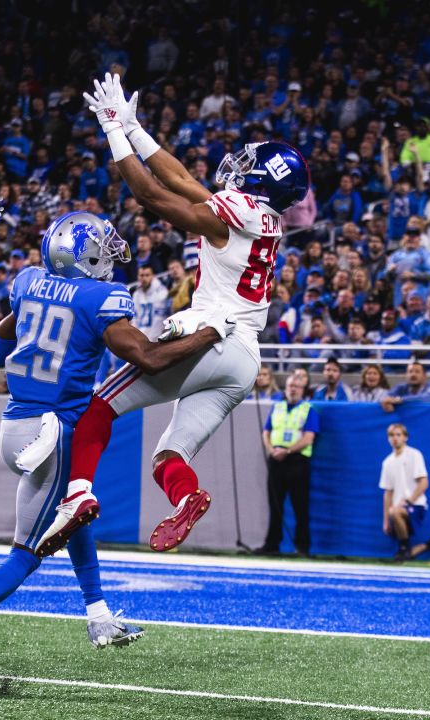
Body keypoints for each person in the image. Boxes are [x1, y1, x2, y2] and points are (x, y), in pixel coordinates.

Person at [0, 211, 226, 676]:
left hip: (15, 425)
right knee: (26, 553)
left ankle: (98, 615)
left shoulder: (27, 283)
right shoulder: (101, 297)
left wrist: (26, 319)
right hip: (53, 433)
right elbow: (146, 357)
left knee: (75, 512)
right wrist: (208, 334)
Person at [52, 74, 309, 555]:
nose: (241, 165)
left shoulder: (236, 212)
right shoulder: (264, 218)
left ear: (266, 178)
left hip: (210, 339)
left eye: (253, 164)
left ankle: (77, 494)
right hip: (245, 360)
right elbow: (184, 181)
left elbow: (154, 195)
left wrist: (111, 130)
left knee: (97, 409)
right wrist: (134, 127)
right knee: (169, 455)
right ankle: (187, 496)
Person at [255, 373, 319, 556]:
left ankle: (302, 547)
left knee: (300, 506)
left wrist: (288, 451)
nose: (293, 389)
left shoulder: (308, 410)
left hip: (297, 461)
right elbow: (266, 432)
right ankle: (272, 544)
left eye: (297, 386)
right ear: (285, 388)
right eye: (290, 385)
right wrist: (271, 449)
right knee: (275, 504)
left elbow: (309, 437)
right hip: (276, 459)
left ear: (302, 390)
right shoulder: (278, 408)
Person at [379, 423, 430, 562]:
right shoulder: (387, 462)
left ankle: (404, 548)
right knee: (394, 512)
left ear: (405, 437)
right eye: (392, 435)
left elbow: (424, 482)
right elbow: (388, 493)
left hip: (416, 505)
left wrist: (409, 501)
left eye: (398, 435)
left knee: (395, 511)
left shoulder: (414, 455)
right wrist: (386, 520)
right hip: (398, 509)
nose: (395, 438)